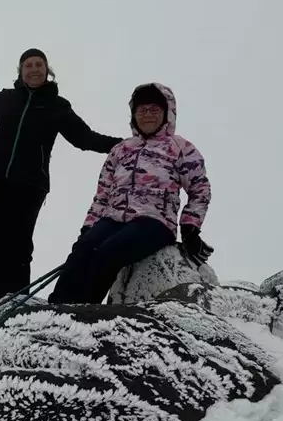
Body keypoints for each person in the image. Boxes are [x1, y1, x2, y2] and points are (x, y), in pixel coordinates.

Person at [0, 48, 120, 300]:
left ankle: (16, 301)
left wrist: (124, 144)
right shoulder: (6, 98)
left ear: (47, 71)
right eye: (28, 65)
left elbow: (84, 139)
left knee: (19, 247)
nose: (34, 69)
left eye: (39, 65)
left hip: (30, 185)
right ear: (21, 71)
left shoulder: (58, 106)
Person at [50, 83, 213, 304]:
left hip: (155, 221)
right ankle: (56, 308)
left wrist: (190, 227)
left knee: (110, 251)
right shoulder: (121, 149)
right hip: (113, 218)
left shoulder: (180, 147)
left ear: (167, 113)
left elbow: (199, 188)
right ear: (133, 115)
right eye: (141, 110)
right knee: (83, 249)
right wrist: (89, 227)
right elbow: (103, 194)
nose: (147, 115)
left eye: (154, 110)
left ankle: (84, 309)